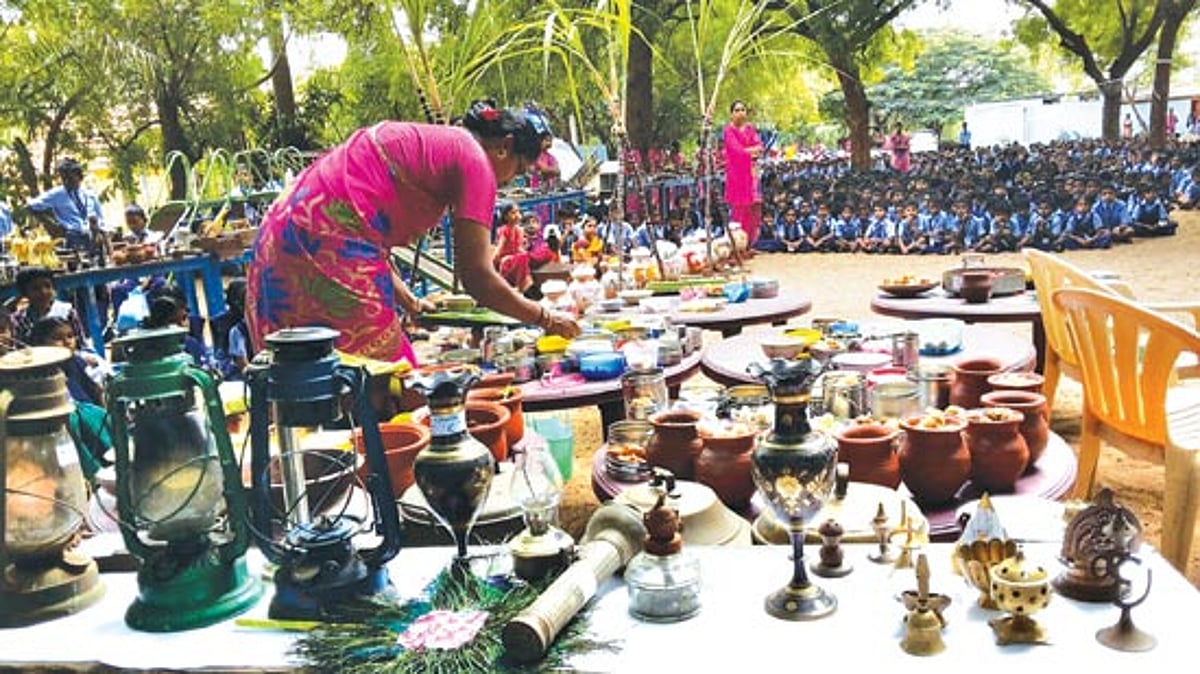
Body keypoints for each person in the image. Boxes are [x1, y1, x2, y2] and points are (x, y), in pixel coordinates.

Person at [246, 100, 581, 364]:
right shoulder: (475, 161)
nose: (509, 181)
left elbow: (362, 232)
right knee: (387, 379)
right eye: (518, 170)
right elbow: (477, 276)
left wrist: (410, 302)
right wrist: (546, 318)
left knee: (320, 369)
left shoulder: (446, 145)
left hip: (286, 230)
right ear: (504, 146)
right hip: (318, 240)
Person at [26, 157, 110, 258]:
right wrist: (51, 223)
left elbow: (102, 221)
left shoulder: (90, 195)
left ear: (79, 176)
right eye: (63, 178)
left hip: (94, 237)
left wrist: (108, 246)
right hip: (73, 237)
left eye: (69, 178)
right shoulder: (57, 194)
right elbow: (30, 206)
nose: (66, 181)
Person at [722, 100, 764, 249]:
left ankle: (749, 244)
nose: (740, 113)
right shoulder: (728, 131)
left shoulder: (750, 129)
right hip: (736, 176)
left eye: (743, 109)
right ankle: (737, 246)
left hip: (751, 175)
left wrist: (748, 151)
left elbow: (759, 147)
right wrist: (750, 151)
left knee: (752, 210)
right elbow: (735, 151)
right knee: (738, 210)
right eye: (737, 110)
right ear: (731, 114)